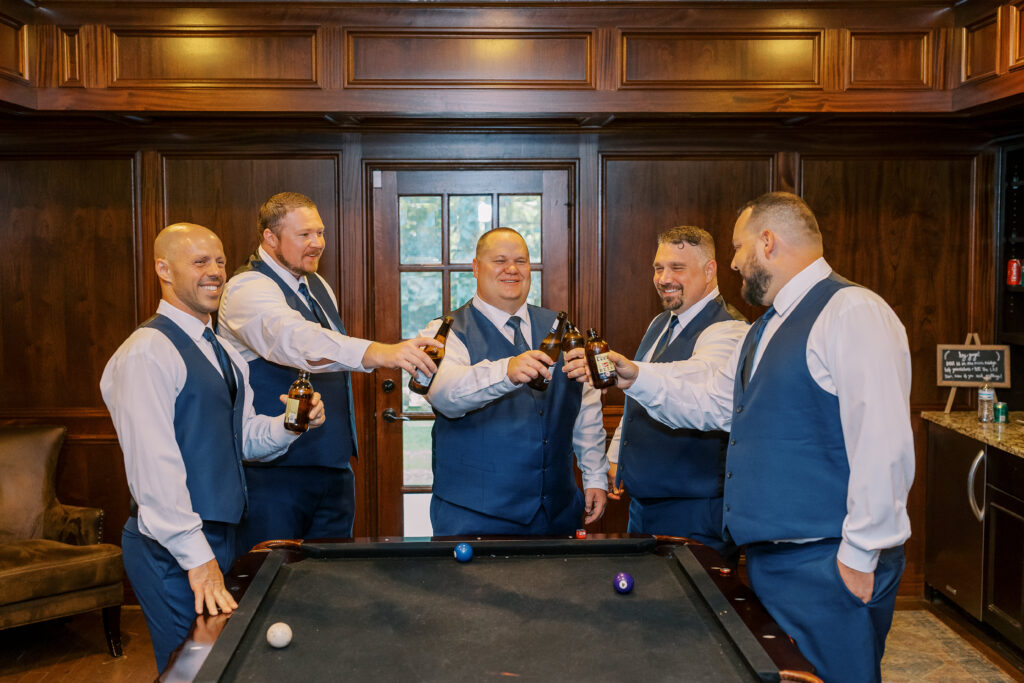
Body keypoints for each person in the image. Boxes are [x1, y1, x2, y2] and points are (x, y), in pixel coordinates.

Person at [565, 192, 914, 683]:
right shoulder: (766, 327)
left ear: (767, 242)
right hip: (774, 559)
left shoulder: (851, 310)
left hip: (826, 560)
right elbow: (713, 403)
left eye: (738, 247)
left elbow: (884, 442)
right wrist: (633, 377)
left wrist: (861, 554)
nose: (733, 262)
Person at [101, 223, 326, 672]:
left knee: (224, 664)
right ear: (163, 269)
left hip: (223, 536)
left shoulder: (221, 349)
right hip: (171, 548)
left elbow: (240, 440)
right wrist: (197, 558)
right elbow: (153, 470)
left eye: (220, 261)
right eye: (200, 261)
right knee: (190, 670)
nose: (215, 272)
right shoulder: (146, 352)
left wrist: (290, 426)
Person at [217, 192, 440, 550]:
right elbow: (298, 341)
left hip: (333, 469)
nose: (317, 243)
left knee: (329, 588)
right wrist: (381, 352)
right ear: (270, 238)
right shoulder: (246, 289)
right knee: (272, 583)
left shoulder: (317, 285)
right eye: (304, 235)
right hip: (274, 475)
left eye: (319, 233)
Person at [420, 227, 609, 535]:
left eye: (521, 261)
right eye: (500, 260)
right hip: (473, 515)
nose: (512, 269)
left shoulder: (563, 330)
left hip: (557, 514)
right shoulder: (444, 331)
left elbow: (585, 406)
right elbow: (444, 396)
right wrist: (506, 371)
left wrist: (596, 476)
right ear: (476, 267)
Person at [605, 226, 747, 556]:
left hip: (696, 510)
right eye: (658, 267)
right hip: (645, 505)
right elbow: (637, 397)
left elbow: (696, 382)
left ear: (709, 270)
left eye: (677, 268)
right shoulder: (660, 323)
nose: (664, 278)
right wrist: (617, 458)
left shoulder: (729, 329)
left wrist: (635, 373)